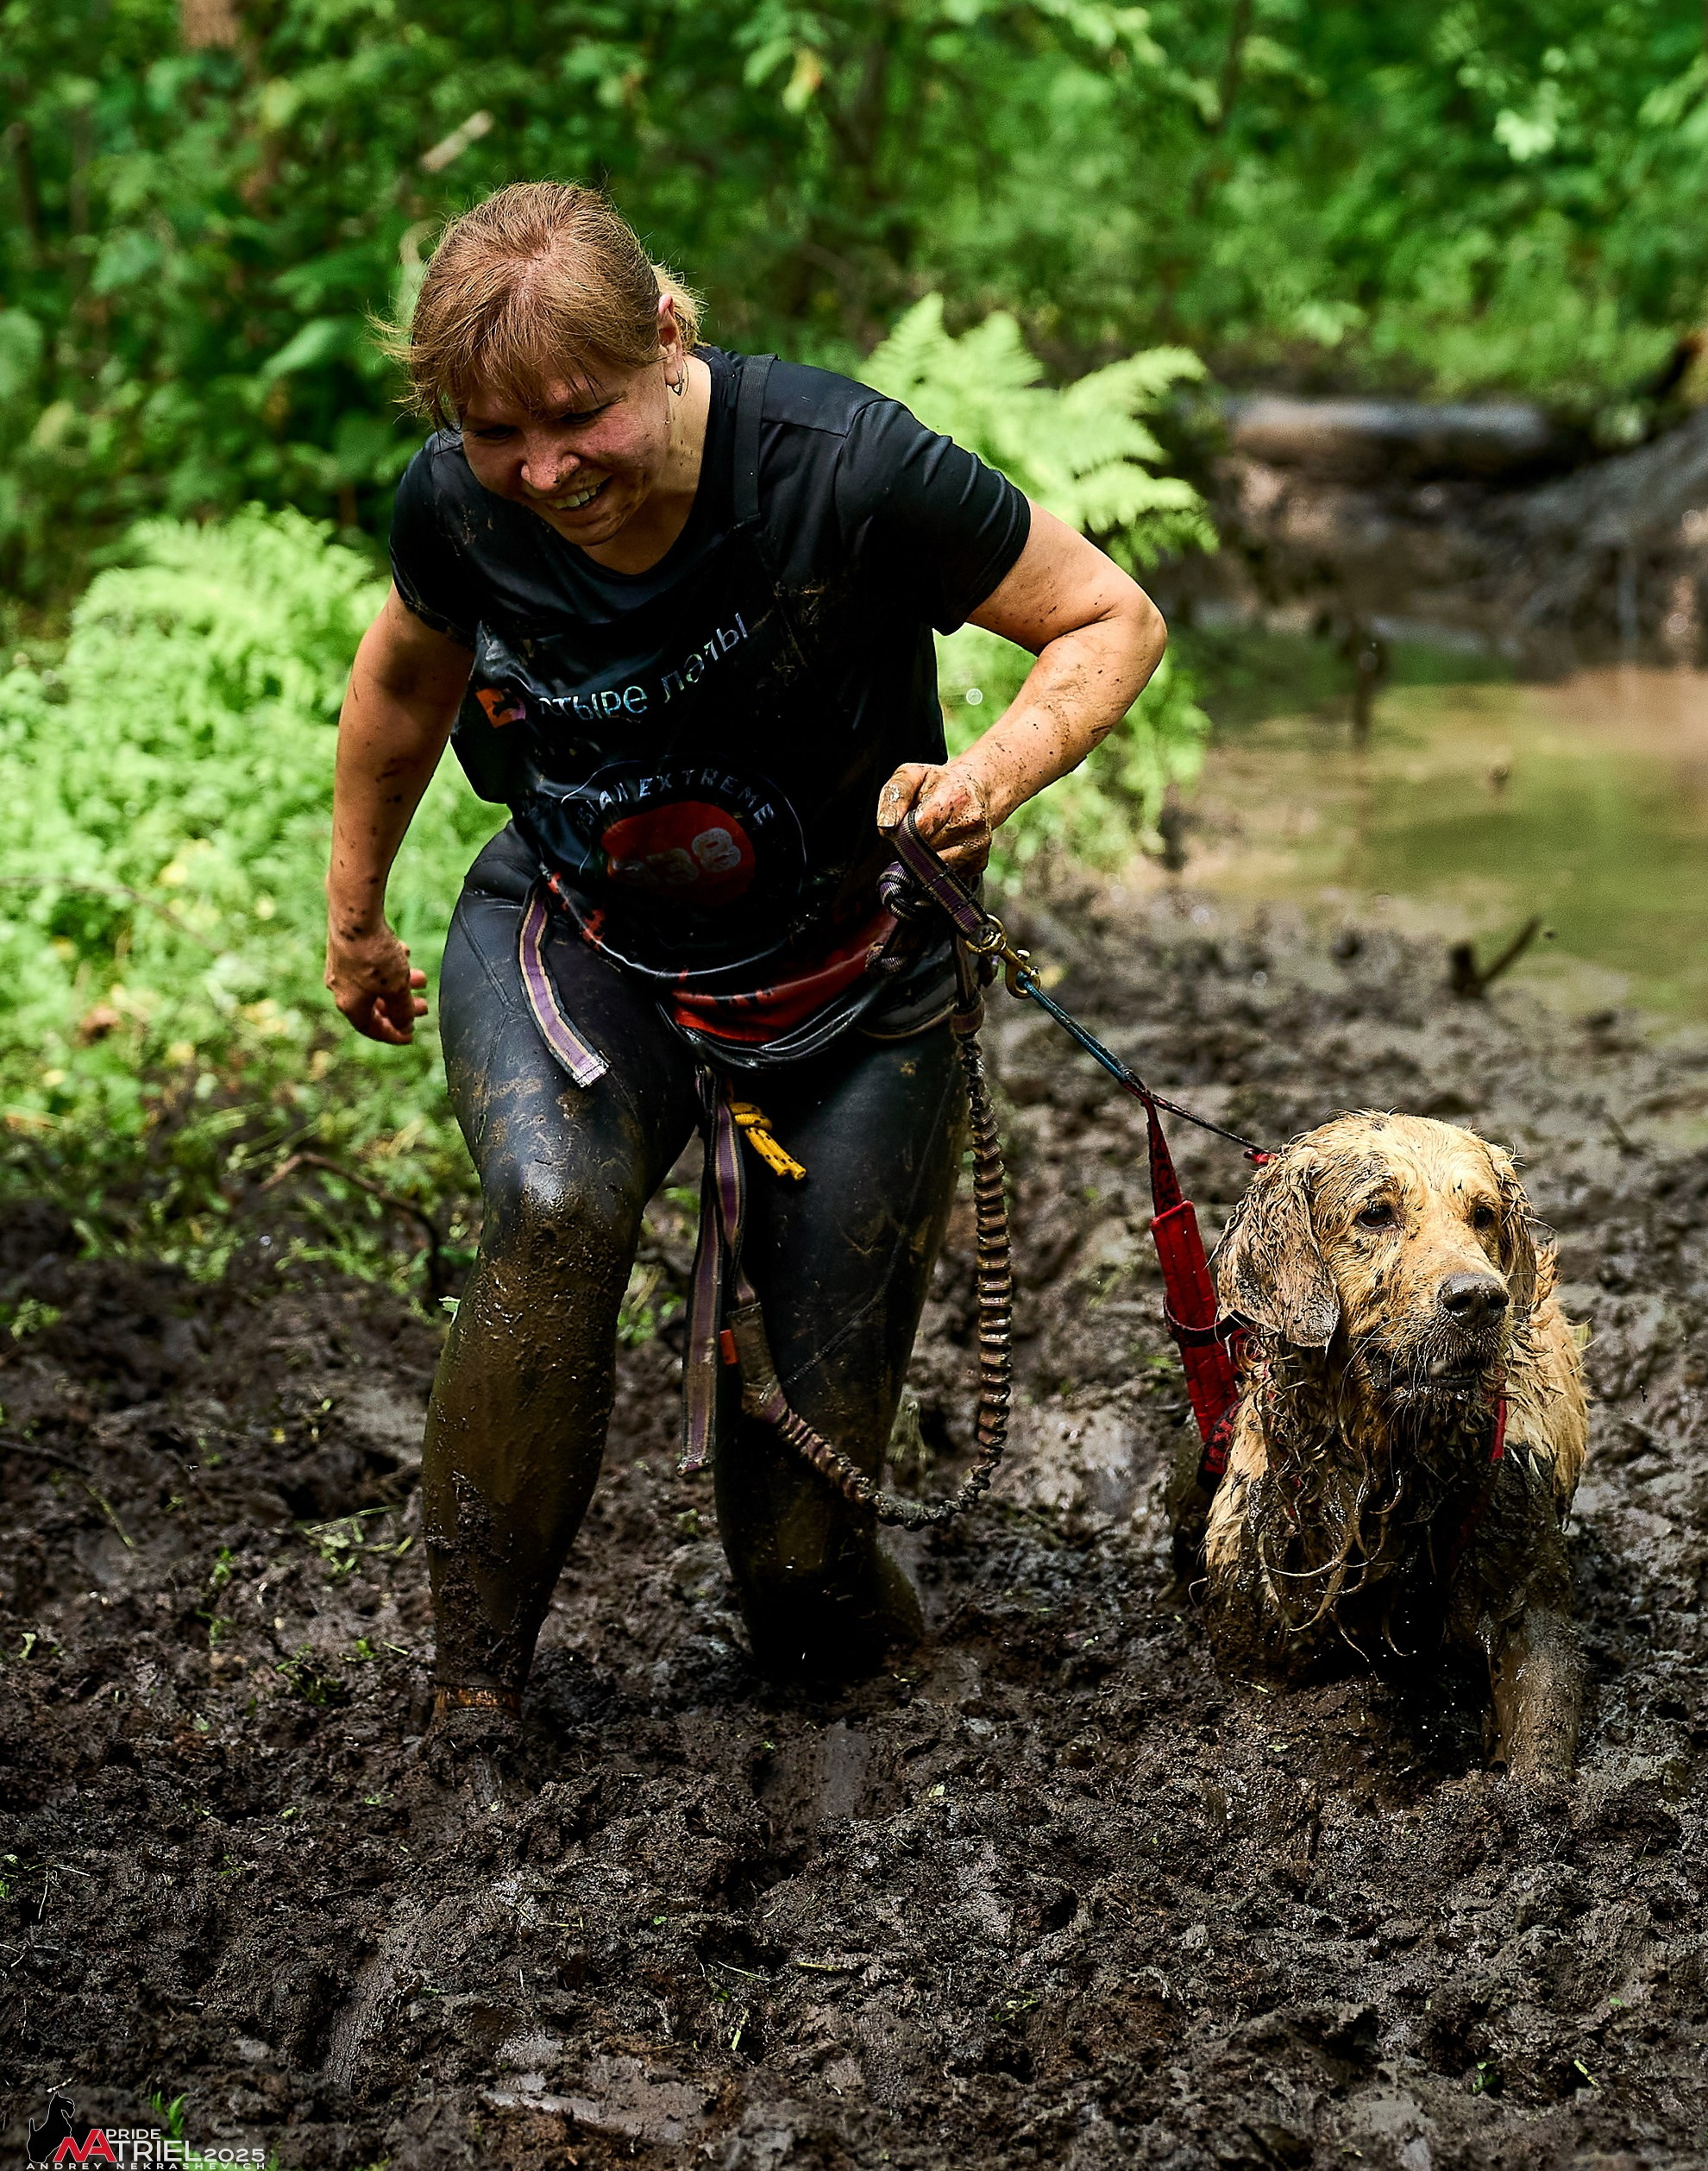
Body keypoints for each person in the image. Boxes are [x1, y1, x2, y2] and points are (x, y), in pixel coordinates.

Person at [323, 182, 1165, 1714]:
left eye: (578, 418)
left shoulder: (843, 467)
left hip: (855, 979)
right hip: (579, 943)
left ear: (665, 335)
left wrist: (985, 774)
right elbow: (400, 686)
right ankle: (469, 1705)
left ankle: (866, 1638)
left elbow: (1107, 618)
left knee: (799, 1585)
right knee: (554, 1203)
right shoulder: (455, 503)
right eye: (498, 435)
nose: (544, 470)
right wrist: (356, 913)